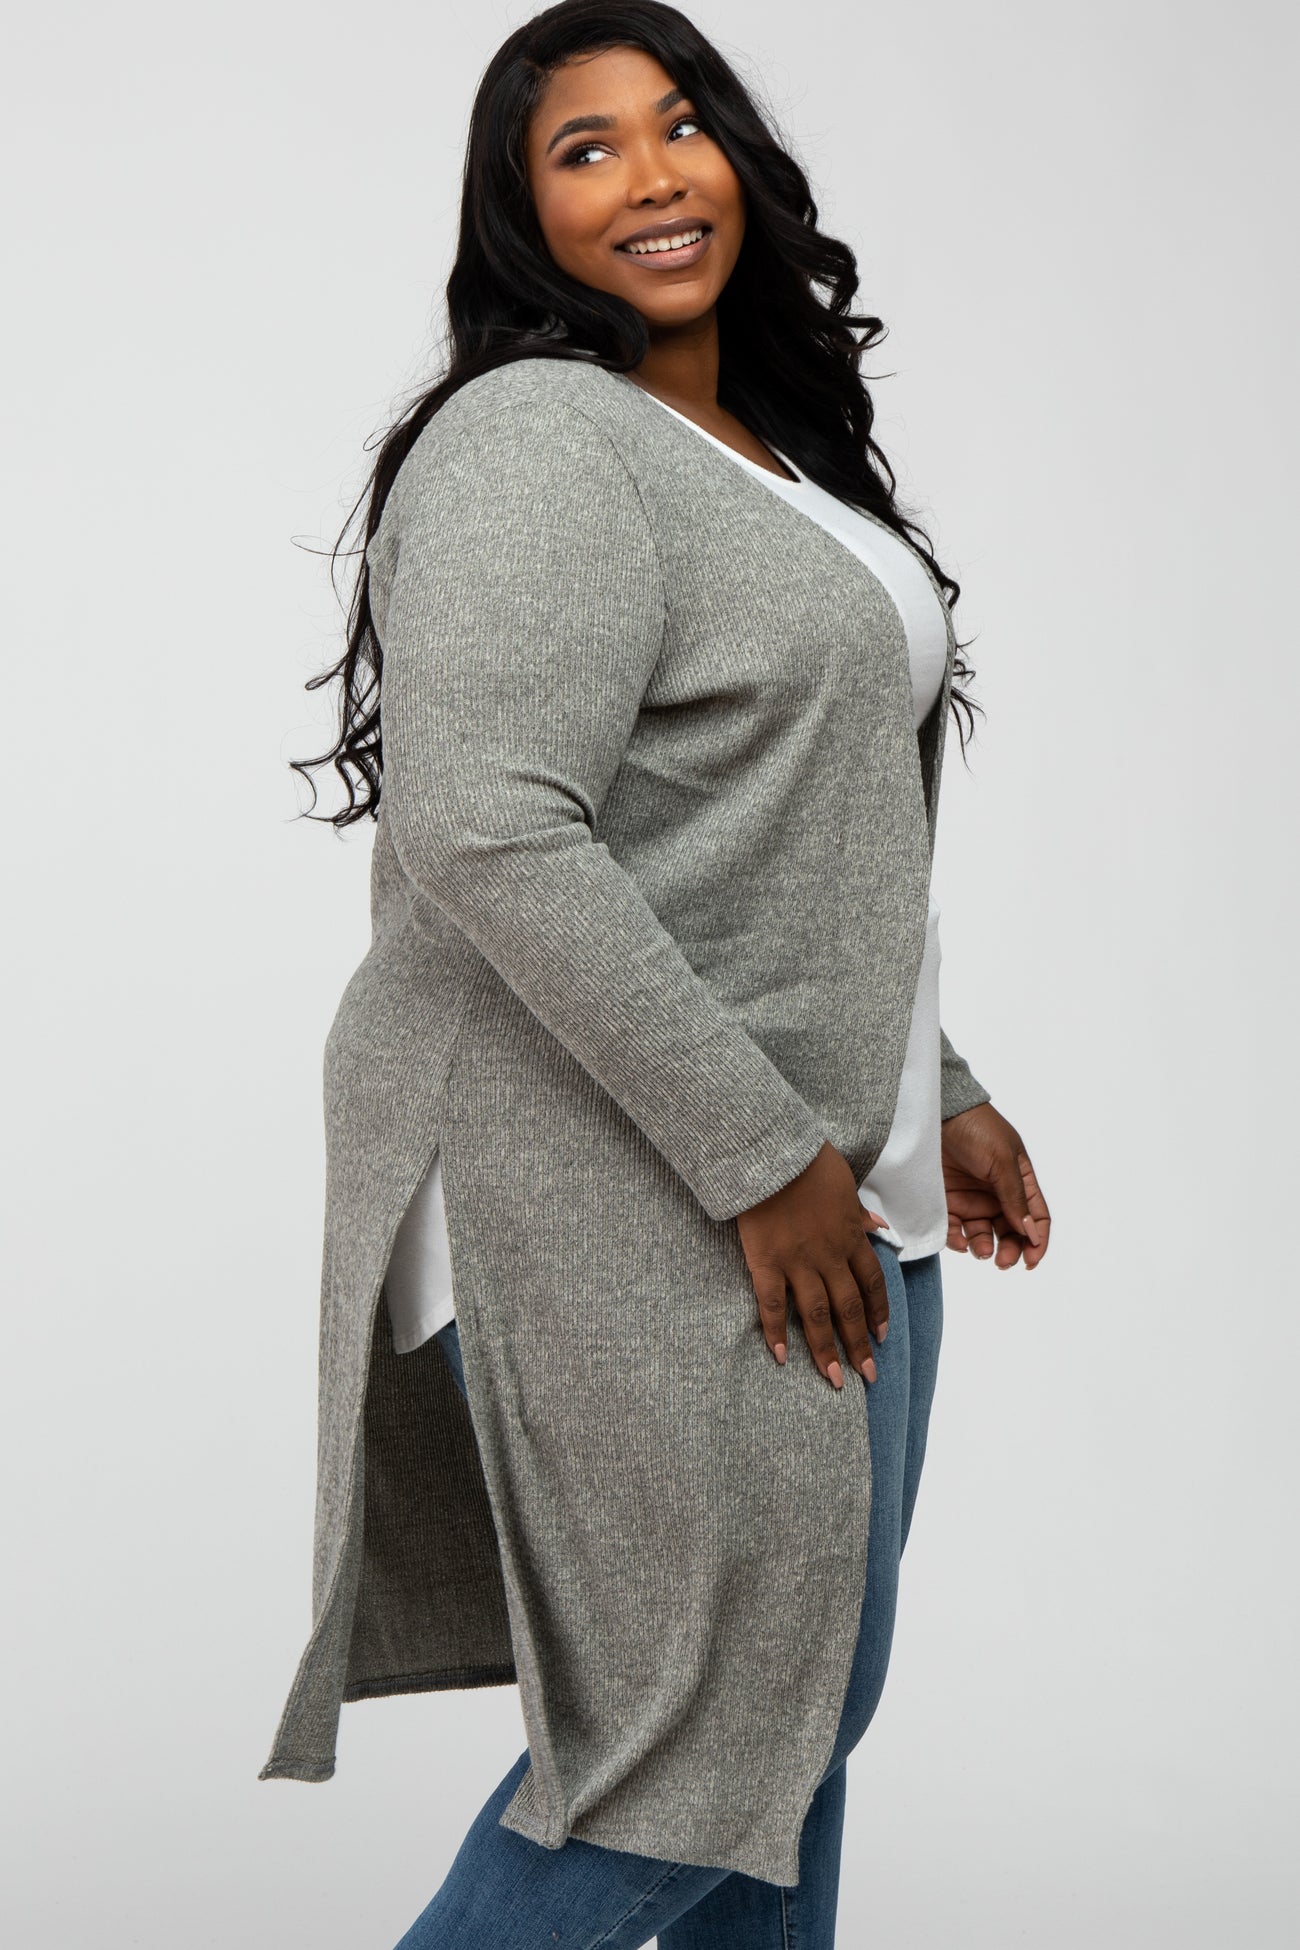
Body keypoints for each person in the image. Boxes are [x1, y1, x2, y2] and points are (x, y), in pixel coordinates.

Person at [262, 5, 1052, 1944]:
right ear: (520, 212)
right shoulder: (536, 439)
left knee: (788, 1742)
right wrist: (760, 1158)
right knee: (680, 1760)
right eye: (585, 148)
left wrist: (934, 1088)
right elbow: (490, 827)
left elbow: (790, 830)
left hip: (829, 1166)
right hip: (632, 1178)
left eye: (677, 124)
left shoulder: (765, 457)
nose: (650, 177)